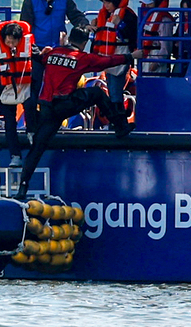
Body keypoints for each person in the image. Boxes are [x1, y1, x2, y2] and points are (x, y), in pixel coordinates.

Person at [16, 25, 145, 199]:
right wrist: (131, 56)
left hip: (46, 109)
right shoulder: (82, 57)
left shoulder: (51, 54)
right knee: (98, 93)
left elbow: (39, 56)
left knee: (37, 148)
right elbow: (108, 61)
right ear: (84, 43)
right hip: (66, 105)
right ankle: (120, 125)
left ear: (69, 38)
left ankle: (22, 187)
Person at [19, 0, 89, 133]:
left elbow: (76, 16)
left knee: (58, 90)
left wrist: (85, 26)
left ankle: (55, 125)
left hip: (58, 53)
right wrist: (36, 51)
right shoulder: (30, 0)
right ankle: (32, 128)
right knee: (33, 89)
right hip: (38, 53)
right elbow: (25, 30)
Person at [0, 20, 34, 167]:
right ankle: (15, 155)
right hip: (7, 89)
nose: (10, 43)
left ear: (20, 39)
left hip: (26, 86)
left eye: (13, 40)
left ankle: (32, 133)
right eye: (7, 40)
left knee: (31, 108)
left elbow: (41, 59)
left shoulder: (30, 47)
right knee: (9, 122)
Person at [91, 0, 138, 110]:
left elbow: (134, 34)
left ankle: (118, 121)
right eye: (104, 3)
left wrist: (120, 24)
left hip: (120, 59)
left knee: (116, 91)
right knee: (112, 91)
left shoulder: (128, 15)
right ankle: (115, 120)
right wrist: (95, 28)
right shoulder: (105, 15)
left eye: (108, 2)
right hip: (107, 60)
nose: (106, 6)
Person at [139, 0, 175, 75]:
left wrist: (158, 62)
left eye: (150, 3)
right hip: (146, 56)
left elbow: (166, 44)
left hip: (156, 55)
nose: (147, 6)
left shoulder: (165, 20)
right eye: (146, 4)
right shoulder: (147, 19)